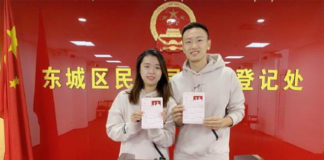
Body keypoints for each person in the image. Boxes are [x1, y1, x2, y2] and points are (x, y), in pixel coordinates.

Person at [170, 22, 245, 160]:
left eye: (199, 40)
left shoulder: (227, 75)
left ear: (208, 44)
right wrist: (176, 119)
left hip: (216, 153)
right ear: (183, 47)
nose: (194, 46)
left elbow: (239, 110)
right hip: (184, 154)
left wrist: (225, 121)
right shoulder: (175, 81)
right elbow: (174, 122)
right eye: (188, 42)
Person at [106, 49, 176, 160]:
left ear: (162, 72)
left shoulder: (168, 101)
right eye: (147, 66)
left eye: (157, 67)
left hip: (157, 157)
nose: (152, 71)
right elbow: (111, 131)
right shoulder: (124, 96)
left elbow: (169, 140)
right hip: (130, 156)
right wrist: (133, 124)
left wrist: (155, 128)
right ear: (139, 69)